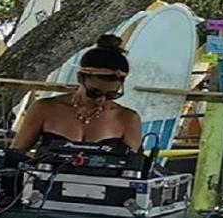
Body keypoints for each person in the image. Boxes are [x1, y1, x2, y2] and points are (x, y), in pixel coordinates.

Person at [10, 34, 143, 153]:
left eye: (111, 95)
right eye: (94, 93)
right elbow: (15, 155)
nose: (102, 101)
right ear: (80, 78)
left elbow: (136, 166)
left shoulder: (127, 118)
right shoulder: (44, 109)